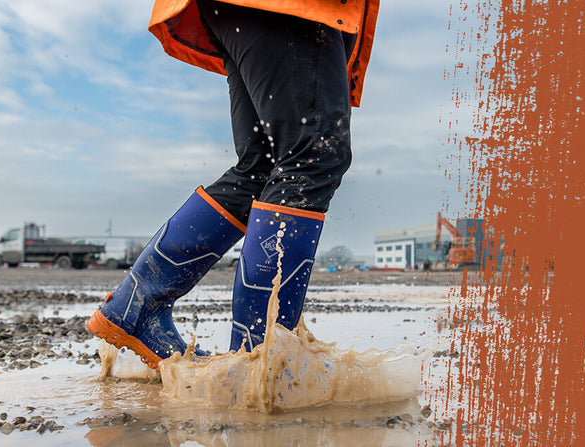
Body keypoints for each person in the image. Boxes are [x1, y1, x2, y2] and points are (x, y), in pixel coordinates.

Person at [86, 0, 380, 370]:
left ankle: (139, 306)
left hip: (250, 8)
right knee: (313, 154)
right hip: (291, 6)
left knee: (262, 168)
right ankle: (261, 366)